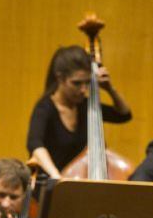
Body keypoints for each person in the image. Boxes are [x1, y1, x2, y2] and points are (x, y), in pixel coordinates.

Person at [26, 45, 131, 179]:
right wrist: (57, 176)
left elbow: (123, 115)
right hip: (52, 184)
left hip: (80, 185)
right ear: (60, 79)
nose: (83, 89)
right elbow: (35, 145)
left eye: (87, 83)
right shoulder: (45, 108)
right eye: (76, 83)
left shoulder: (86, 106)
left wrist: (110, 88)